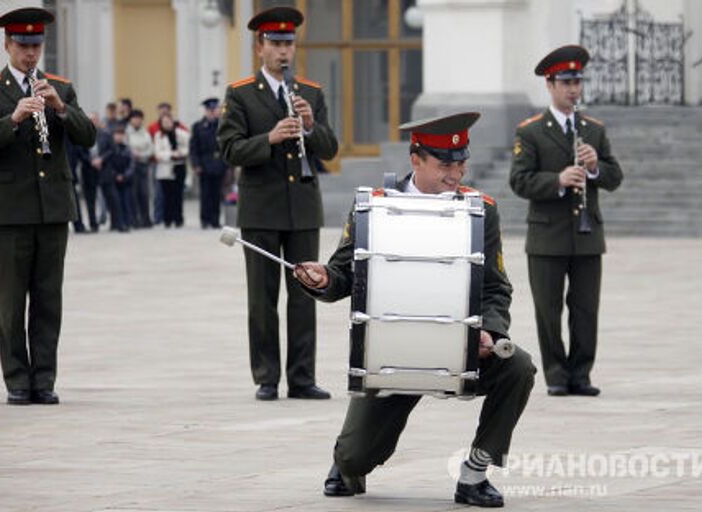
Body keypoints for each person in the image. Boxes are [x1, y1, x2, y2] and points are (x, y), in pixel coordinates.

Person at [293, 113, 535, 508]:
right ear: (416, 159)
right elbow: (343, 273)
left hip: (458, 347)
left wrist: (489, 332)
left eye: (461, 164)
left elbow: (495, 288)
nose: (456, 174)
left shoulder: (480, 210)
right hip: (393, 350)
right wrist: (320, 279)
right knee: (354, 458)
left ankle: (474, 475)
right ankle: (345, 462)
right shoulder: (374, 208)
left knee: (519, 367)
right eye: (445, 165)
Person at [0, 7, 96, 405]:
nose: (30, 54)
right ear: (7, 45)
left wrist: (60, 107)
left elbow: (87, 137)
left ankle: (44, 379)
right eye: (22, 46)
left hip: (53, 208)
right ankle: (17, 380)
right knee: (11, 300)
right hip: (10, 211)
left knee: (47, 298)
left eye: (36, 45)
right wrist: (14, 118)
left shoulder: (60, 87)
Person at [218, 6, 339, 401]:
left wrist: (309, 126)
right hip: (262, 208)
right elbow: (229, 150)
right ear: (260, 47)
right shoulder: (240, 95)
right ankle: (267, 377)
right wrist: (268, 139)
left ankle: (302, 377)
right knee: (262, 297)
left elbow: (330, 149)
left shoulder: (311, 93)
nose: (284, 52)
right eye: (276, 44)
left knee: (306, 293)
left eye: (289, 44)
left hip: (302, 206)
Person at [509, 45, 623, 397]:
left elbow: (614, 176)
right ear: (550, 84)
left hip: (588, 235)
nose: (574, 89)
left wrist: (594, 168)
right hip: (547, 237)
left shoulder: (593, 129)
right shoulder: (531, 132)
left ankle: (581, 374)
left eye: (578, 81)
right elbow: (519, 180)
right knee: (549, 310)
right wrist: (557, 180)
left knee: (586, 309)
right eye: (566, 82)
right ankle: (556, 375)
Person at [190, 97, 229, 229]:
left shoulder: (222, 125)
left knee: (217, 195)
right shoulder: (198, 127)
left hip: (218, 164)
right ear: (206, 111)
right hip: (204, 165)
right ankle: (205, 220)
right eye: (210, 110)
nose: (212, 112)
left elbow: (226, 145)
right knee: (205, 194)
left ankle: (215, 220)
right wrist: (196, 165)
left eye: (214, 110)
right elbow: (194, 148)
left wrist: (226, 164)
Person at [154, 112, 189, 228]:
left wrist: (181, 153)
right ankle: (167, 219)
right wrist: (171, 155)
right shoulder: (158, 135)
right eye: (164, 122)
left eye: (169, 122)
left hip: (179, 166)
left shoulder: (181, 133)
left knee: (178, 195)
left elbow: (188, 147)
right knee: (167, 195)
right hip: (165, 168)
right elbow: (158, 153)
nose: (167, 124)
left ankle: (178, 219)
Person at [126, 109, 154, 227]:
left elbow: (150, 149)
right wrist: (133, 153)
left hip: (143, 164)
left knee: (144, 193)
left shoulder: (145, 133)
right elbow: (126, 148)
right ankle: (134, 219)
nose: (137, 120)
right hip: (131, 165)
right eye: (134, 118)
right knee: (133, 193)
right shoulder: (126, 132)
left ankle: (146, 219)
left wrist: (140, 154)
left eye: (139, 118)